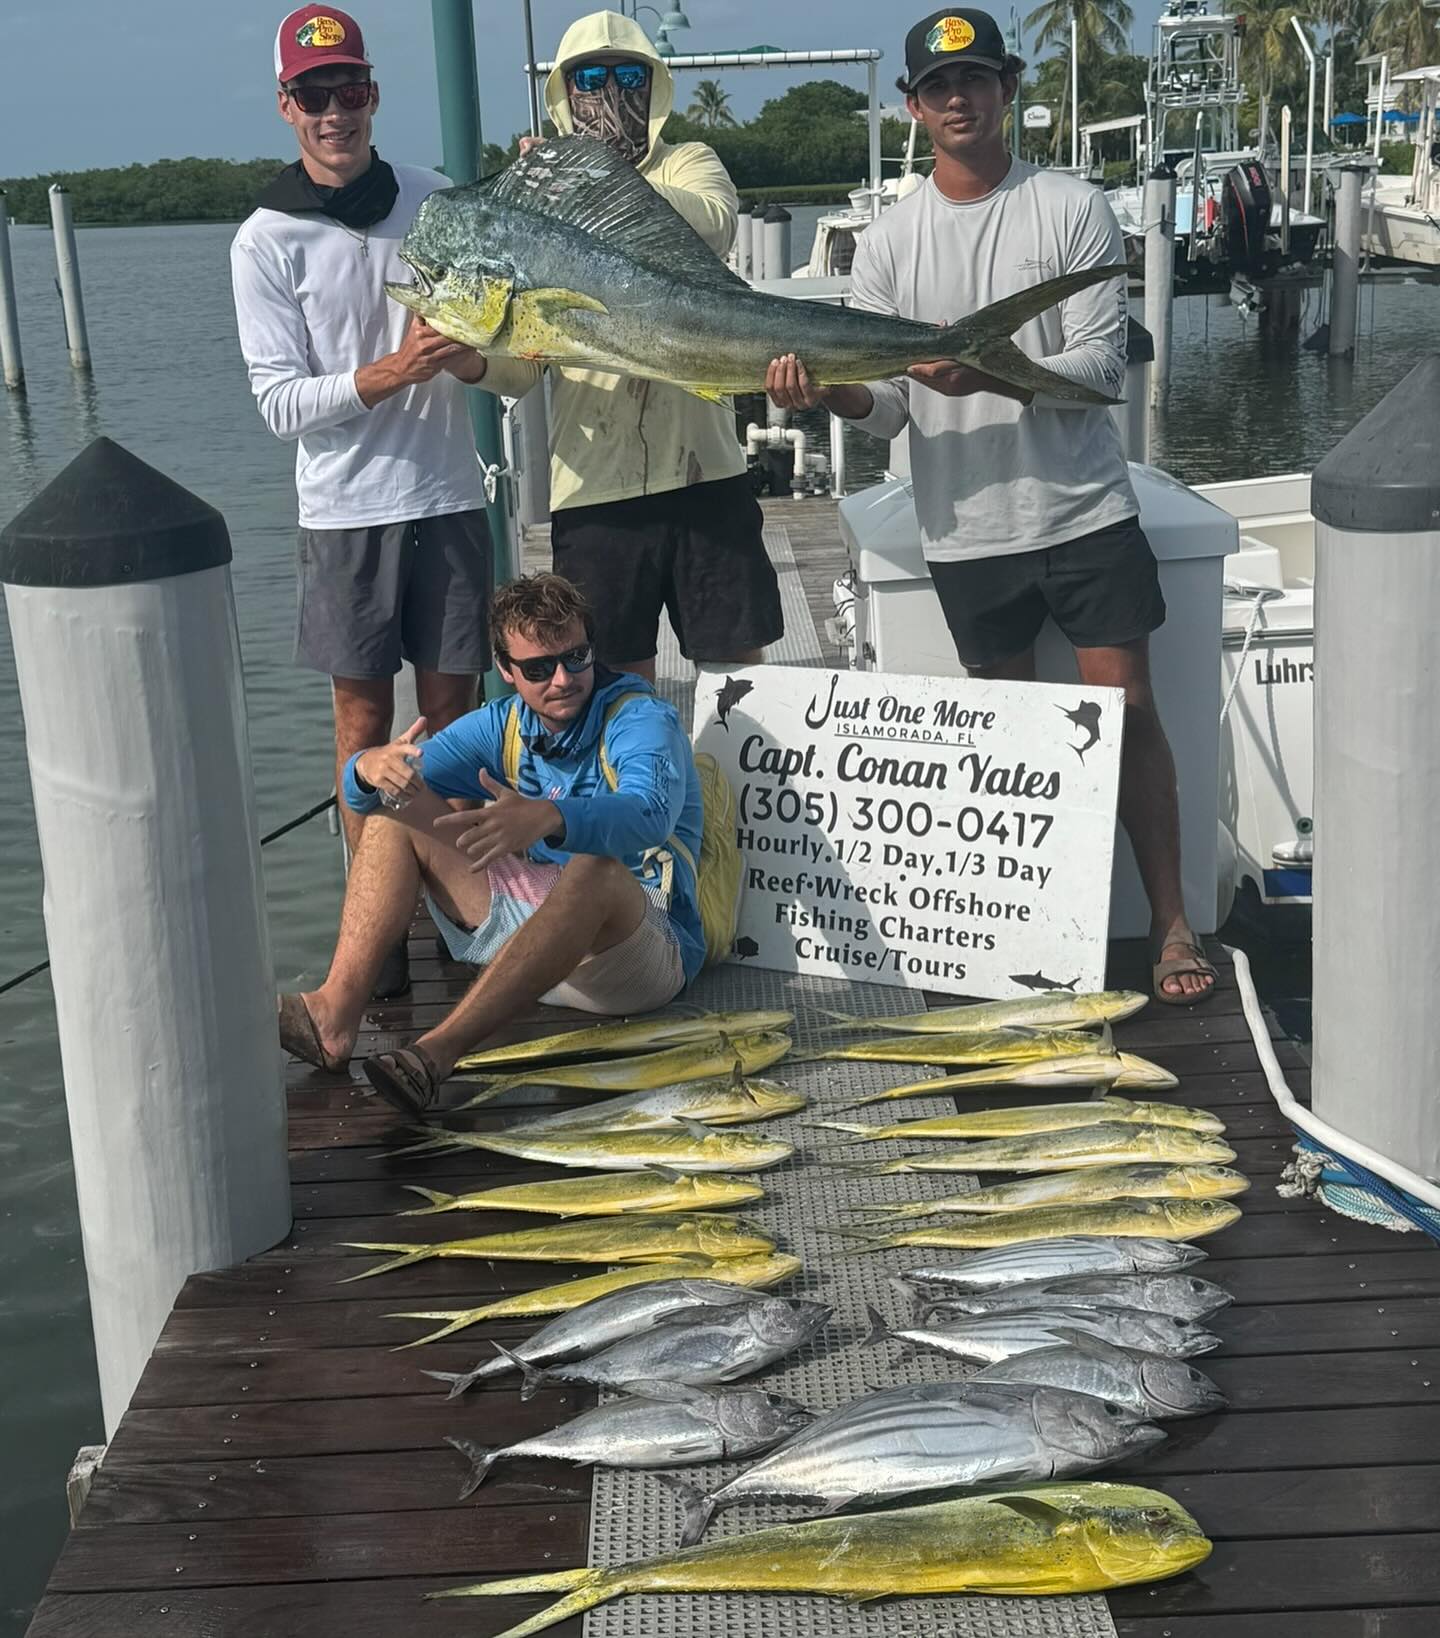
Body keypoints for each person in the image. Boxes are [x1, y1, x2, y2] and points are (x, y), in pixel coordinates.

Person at [766, 8, 1215, 1005]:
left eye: (975, 80)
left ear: (1005, 89)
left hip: (1085, 511)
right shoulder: (885, 245)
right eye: (938, 87)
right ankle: (1042, 940)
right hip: (966, 527)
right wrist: (825, 393)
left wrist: (986, 374)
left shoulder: (1069, 205)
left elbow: (1103, 362)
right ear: (914, 107)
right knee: (1014, 736)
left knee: (1130, 712)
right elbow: (884, 404)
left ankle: (1172, 924)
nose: (958, 99)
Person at [231, 7, 494, 999]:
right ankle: (372, 935)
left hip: (448, 494)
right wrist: (391, 373)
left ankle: (461, 914)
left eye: (349, 90)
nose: (334, 111)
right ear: (286, 107)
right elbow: (277, 406)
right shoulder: (264, 240)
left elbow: (500, 358)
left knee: (455, 716)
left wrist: (469, 358)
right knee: (360, 729)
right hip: (341, 515)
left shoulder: (438, 200)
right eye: (313, 94)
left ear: (374, 94)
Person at [277, 572, 704, 1115]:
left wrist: (550, 817)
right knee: (395, 812)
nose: (563, 679)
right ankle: (332, 1018)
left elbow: (650, 815)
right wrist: (368, 768)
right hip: (539, 941)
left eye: (576, 657)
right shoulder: (500, 725)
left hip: (641, 953)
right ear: (505, 670)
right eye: (538, 668)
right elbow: (364, 797)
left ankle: (435, 1055)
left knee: (594, 868)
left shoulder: (641, 719)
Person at [449, 9, 783, 683]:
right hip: (594, 488)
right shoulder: (533, 204)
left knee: (741, 683)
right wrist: (463, 355)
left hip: (705, 475)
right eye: (590, 78)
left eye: (628, 75)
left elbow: (712, 225)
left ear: (653, 86)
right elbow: (519, 368)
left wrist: (587, 180)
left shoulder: (691, 162)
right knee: (614, 692)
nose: (609, 92)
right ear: (564, 94)